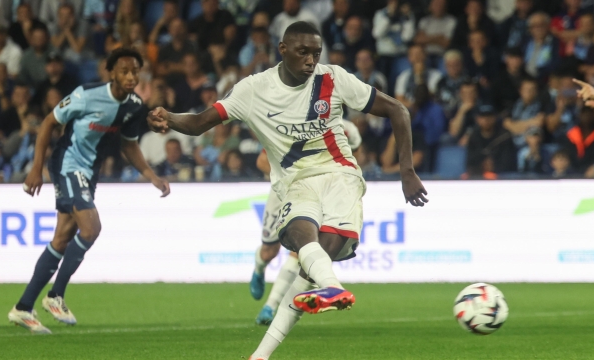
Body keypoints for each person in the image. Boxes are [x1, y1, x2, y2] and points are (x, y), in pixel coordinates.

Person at [146, 21, 428, 359]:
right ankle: (332, 290)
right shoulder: (253, 89)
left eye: (316, 53)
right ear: (282, 50)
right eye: (303, 52)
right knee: (298, 238)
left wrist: (407, 172)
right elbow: (200, 122)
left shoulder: (333, 79)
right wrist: (169, 118)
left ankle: (270, 344)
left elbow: (398, 109)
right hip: (296, 182)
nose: (311, 60)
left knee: (313, 265)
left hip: (340, 176)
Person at [8, 48, 170, 334]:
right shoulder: (86, 94)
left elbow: (129, 144)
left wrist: (152, 176)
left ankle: (23, 308)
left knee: (62, 238)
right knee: (91, 227)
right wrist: (36, 168)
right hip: (68, 164)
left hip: (88, 173)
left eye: (135, 71)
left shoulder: (134, 105)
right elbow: (48, 123)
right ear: (111, 73)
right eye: (124, 71)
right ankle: (55, 295)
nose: (131, 76)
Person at [251, 119, 362, 326]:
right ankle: (259, 267)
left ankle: (270, 306)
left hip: (322, 195)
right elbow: (262, 162)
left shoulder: (349, 131)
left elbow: (354, 158)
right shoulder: (295, 122)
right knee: (269, 252)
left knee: (302, 250)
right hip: (286, 194)